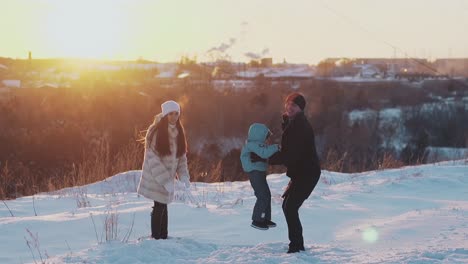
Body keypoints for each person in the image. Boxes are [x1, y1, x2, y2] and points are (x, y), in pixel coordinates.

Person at [260, 92, 321, 253]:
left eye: (294, 105)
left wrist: (266, 158)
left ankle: (296, 247)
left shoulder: (299, 127)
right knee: (288, 206)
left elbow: (289, 155)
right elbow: (289, 150)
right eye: (288, 103)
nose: (289, 107)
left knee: (290, 207)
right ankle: (296, 245)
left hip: (308, 173)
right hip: (301, 172)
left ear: (300, 109)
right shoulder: (293, 123)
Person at [137, 100, 191, 239]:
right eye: (171, 114)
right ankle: (156, 238)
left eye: (176, 113)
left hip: (168, 176)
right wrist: (165, 180)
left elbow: (181, 157)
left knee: (164, 204)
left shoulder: (179, 132)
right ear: (165, 114)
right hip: (156, 175)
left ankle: (163, 237)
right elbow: (152, 159)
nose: (174, 117)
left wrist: (184, 176)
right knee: (159, 204)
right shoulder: (156, 131)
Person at [240, 123, 279, 230]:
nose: (266, 139)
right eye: (265, 136)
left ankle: (265, 218)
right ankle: (257, 219)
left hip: (259, 171)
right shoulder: (253, 144)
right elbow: (264, 153)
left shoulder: (256, 144)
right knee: (262, 195)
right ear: (259, 135)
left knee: (267, 194)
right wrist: (277, 147)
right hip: (255, 172)